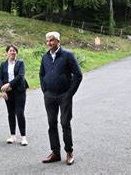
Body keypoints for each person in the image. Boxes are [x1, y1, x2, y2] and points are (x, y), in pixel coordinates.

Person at [39, 31, 83, 165]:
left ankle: (69, 152)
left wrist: (70, 93)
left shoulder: (68, 55)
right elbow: (41, 74)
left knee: (65, 123)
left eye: (51, 40)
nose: (49, 43)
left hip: (64, 95)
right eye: (47, 41)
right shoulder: (45, 57)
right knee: (51, 124)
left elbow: (78, 75)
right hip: (49, 96)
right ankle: (55, 153)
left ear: (58, 41)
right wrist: (44, 90)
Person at [0, 44, 29, 146]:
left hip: (19, 91)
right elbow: (0, 78)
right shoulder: (3, 65)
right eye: (10, 50)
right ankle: (12, 135)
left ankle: (23, 137)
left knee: (20, 113)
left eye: (14, 50)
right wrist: (3, 91)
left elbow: (20, 76)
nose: (12, 52)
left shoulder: (20, 63)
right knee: (10, 113)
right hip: (8, 93)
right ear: (7, 53)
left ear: (16, 53)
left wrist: (9, 84)